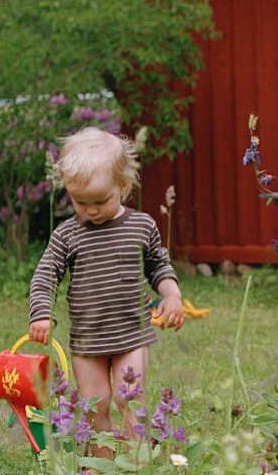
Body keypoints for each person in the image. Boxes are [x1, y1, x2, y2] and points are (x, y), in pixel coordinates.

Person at [28, 127, 184, 453]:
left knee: (131, 399)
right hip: (87, 341)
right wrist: (41, 313)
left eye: (101, 200)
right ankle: (101, 473)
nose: (91, 210)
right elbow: (46, 275)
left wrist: (171, 295)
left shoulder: (142, 226)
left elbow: (159, 266)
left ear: (123, 186)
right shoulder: (66, 235)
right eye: (80, 202)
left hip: (131, 334)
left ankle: (138, 470)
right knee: (95, 406)